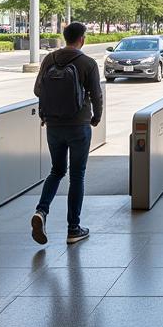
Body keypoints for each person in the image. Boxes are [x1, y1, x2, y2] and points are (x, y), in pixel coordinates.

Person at [31, 21, 103, 246]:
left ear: (64, 37)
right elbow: (97, 95)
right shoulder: (88, 63)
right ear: (82, 39)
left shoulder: (49, 59)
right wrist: (96, 117)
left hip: (53, 125)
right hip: (79, 125)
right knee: (77, 175)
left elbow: (37, 90)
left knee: (57, 170)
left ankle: (41, 212)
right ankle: (73, 228)